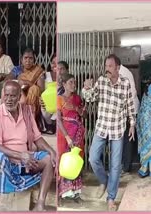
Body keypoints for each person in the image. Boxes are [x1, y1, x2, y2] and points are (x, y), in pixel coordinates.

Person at [0, 81, 56, 211]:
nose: (8, 99)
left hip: (26, 162)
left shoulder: (26, 112)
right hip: (8, 163)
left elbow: (37, 138)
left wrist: (52, 151)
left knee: (49, 159)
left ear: (20, 96)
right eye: (6, 95)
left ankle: (40, 204)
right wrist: (21, 155)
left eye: (12, 96)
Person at [82, 54, 135, 210]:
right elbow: (90, 98)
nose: (107, 69)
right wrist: (86, 88)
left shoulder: (125, 84)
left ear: (118, 68)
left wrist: (132, 124)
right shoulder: (101, 81)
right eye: (106, 66)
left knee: (115, 165)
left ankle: (111, 198)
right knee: (92, 158)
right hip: (102, 127)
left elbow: (130, 105)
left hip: (117, 129)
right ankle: (104, 180)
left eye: (110, 66)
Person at [57, 73, 85, 205]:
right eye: (70, 82)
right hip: (65, 134)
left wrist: (82, 110)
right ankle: (60, 195)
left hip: (78, 133)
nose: (73, 85)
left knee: (76, 161)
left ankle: (76, 193)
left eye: (74, 82)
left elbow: (82, 114)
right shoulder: (59, 99)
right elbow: (58, 119)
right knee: (63, 162)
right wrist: (67, 137)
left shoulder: (78, 98)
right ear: (64, 85)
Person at [11, 48, 45, 117]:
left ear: (34, 60)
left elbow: (41, 90)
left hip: (33, 99)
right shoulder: (17, 69)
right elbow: (8, 81)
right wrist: (18, 83)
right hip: (19, 96)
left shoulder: (38, 71)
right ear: (21, 59)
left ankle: (29, 116)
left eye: (30, 58)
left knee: (34, 89)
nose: (28, 61)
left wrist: (26, 82)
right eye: (25, 58)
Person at [119, 65, 139, 174]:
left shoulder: (124, 73)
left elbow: (131, 93)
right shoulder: (123, 72)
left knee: (127, 139)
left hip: (128, 111)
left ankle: (126, 166)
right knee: (126, 139)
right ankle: (125, 165)